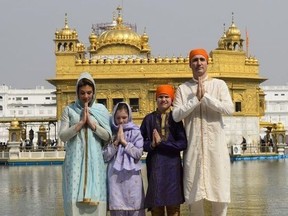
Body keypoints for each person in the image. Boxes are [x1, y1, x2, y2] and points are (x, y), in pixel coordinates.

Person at [172, 48, 234, 216]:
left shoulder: (219, 85)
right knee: (194, 198)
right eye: (195, 60)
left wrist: (206, 97)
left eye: (202, 59)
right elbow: (176, 115)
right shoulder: (183, 89)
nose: (198, 63)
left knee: (220, 197)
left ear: (208, 62)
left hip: (216, 151)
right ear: (189, 64)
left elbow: (229, 108)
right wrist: (195, 100)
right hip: (194, 150)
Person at [59, 72, 112, 216]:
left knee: (98, 206)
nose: (86, 96)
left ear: (94, 92)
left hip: (96, 163)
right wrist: (80, 123)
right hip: (74, 162)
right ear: (77, 92)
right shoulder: (69, 110)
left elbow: (108, 136)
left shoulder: (101, 110)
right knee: (73, 204)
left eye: (89, 93)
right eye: (82, 93)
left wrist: (92, 125)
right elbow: (63, 136)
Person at [140, 85, 187, 216]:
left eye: (167, 97)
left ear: (171, 99)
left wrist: (163, 143)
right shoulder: (148, 119)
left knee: (174, 208)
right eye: (160, 97)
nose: (163, 100)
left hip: (173, 168)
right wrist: (152, 145)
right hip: (155, 167)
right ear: (156, 99)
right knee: (156, 206)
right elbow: (140, 143)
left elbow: (183, 143)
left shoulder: (176, 119)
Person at [103, 102, 145, 216]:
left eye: (124, 117)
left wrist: (125, 143)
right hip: (115, 178)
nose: (121, 121)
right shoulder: (110, 133)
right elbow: (105, 156)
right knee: (117, 208)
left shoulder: (136, 132)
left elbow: (138, 154)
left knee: (135, 207)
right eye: (118, 118)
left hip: (132, 178)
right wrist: (116, 142)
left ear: (129, 116)